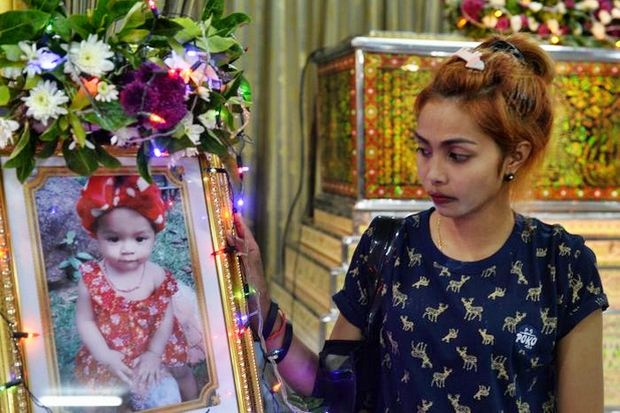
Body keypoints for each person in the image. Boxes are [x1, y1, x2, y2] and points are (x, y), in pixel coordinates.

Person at [232, 33, 608, 412]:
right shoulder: (388, 245)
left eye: (457, 156)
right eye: (423, 150)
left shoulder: (559, 264)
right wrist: (262, 305)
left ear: (514, 156)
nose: (432, 174)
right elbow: (332, 386)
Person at [74, 175, 200, 410]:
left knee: (180, 371)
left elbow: (165, 317)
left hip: (157, 343)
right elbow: (86, 321)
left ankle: (195, 404)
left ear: (153, 236)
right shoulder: (91, 279)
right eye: (114, 238)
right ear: (96, 236)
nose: (128, 249)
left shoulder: (155, 275)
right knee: (107, 390)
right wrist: (106, 355)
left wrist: (154, 353)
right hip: (113, 349)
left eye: (140, 238)